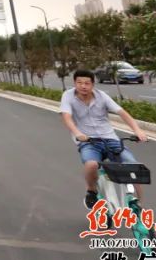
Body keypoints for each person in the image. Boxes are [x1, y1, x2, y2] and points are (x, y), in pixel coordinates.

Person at [59, 69, 148, 209]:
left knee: (132, 166)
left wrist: (137, 130)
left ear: (93, 84)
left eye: (87, 83)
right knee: (91, 165)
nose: (83, 86)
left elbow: (122, 113)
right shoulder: (68, 96)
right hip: (88, 141)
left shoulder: (102, 96)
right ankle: (91, 191)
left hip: (110, 139)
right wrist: (77, 133)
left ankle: (139, 204)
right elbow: (66, 117)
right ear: (75, 83)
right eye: (79, 83)